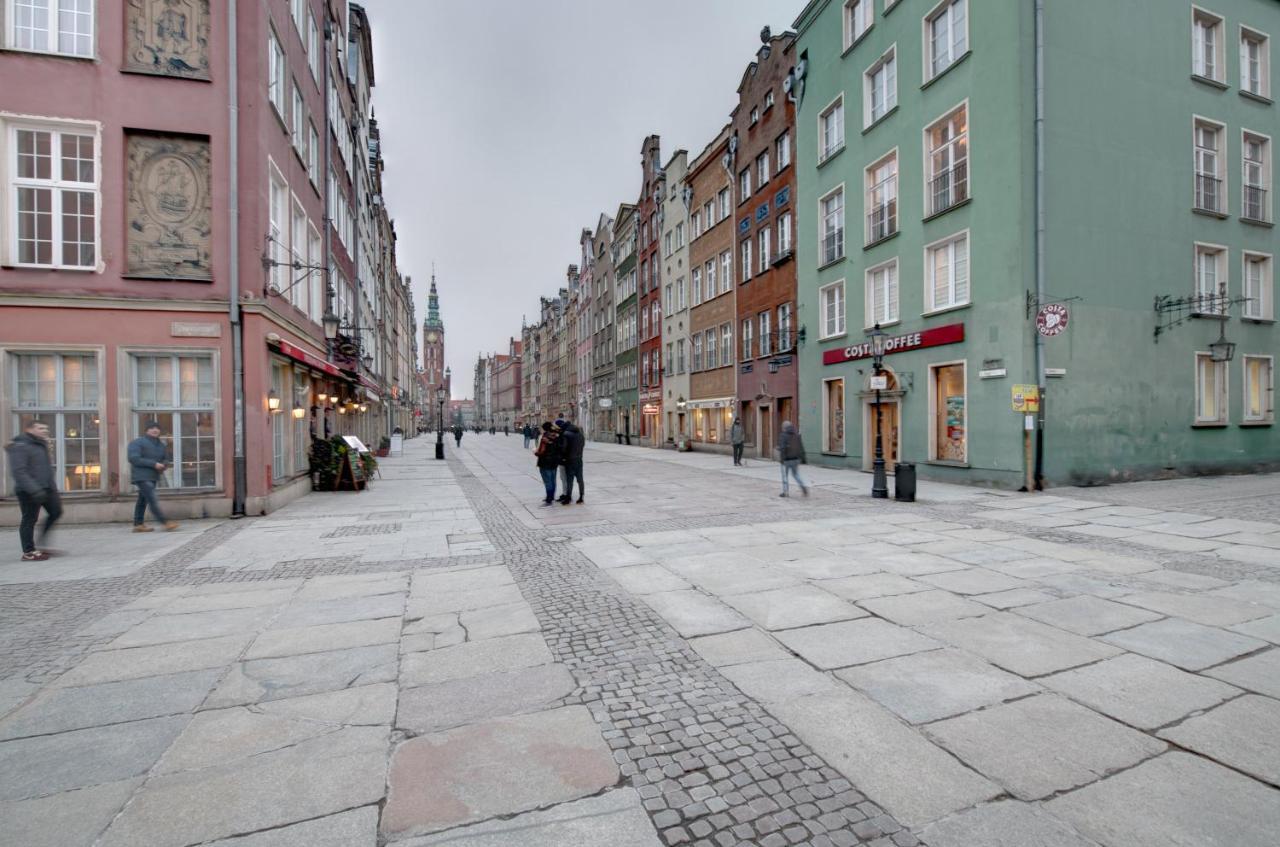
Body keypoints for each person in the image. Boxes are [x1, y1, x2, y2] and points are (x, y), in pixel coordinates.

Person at [7, 420, 62, 561]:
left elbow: (45, 469)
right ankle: (28, 552)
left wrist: (52, 488)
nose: (44, 430)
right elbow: (19, 471)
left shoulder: (40, 444)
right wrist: (34, 490)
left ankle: (41, 545)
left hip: (46, 487)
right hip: (28, 490)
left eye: (46, 428)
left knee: (56, 512)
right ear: (29, 429)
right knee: (29, 519)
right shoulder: (20, 445)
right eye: (40, 428)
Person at [128, 420, 179, 532]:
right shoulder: (137, 443)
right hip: (141, 476)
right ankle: (165, 522)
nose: (155, 430)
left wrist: (164, 464)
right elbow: (134, 458)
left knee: (143, 500)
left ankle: (138, 524)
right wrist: (154, 464)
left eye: (157, 428)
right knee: (151, 498)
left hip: (153, 476)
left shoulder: (161, 445)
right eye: (152, 428)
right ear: (147, 430)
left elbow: (165, 458)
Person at [777, 420, 809, 498]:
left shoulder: (783, 435)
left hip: (786, 460)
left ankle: (785, 492)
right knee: (796, 475)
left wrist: (781, 459)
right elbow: (801, 447)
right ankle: (802, 486)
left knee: (785, 476)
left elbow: (783, 448)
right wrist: (803, 458)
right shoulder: (797, 435)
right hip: (796, 459)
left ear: (784, 427)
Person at [557, 420, 585, 504]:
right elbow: (582, 445)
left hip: (570, 460)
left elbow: (564, 448)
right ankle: (581, 497)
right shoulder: (580, 435)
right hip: (579, 459)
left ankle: (568, 498)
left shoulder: (566, 435)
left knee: (570, 480)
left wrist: (561, 456)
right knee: (580, 479)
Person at [534, 421, 561, 505]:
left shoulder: (545, 438)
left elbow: (541, 451)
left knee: (547, 481)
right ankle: (552, 496)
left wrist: (535, 452)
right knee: (553, 480)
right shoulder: (556, 436)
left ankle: (549, 498)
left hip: (545, 462)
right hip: (554, 462)